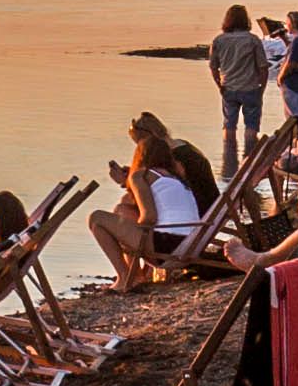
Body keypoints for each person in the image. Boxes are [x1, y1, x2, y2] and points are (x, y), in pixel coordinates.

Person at [83, 116, 218, 288]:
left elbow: (149, 218)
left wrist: (127, 232)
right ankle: (137, 274)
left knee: (98, 218)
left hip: (169, 246)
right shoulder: (178, 169)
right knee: (124, 211)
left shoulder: (140, 175)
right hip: (192, 238)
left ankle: (126, 277)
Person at [206, 5, 273, 179]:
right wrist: (262, 88)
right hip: (251, 87)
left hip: (228, 87)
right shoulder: (252, 40)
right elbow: (263, 67)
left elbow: (213, 67)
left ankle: (229, 166)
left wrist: (219, 85)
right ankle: (248, 164)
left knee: (229, 124)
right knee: (251, 126)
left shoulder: (219, 41)